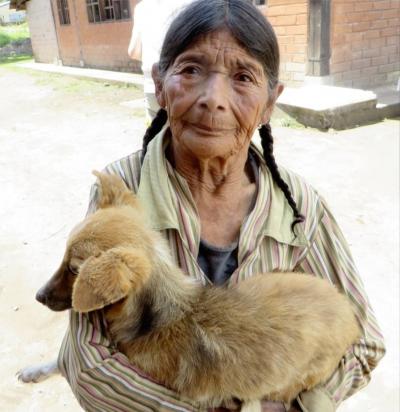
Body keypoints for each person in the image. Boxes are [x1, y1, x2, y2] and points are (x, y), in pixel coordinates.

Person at [59, 1, 385, 411]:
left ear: (270, 103)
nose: (213, 98)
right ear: (160, 83)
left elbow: (365, 343)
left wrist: (296, 404)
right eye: (191, 70)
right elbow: (88, 362)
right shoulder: (125, 191)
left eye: (243, 76)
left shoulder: (298, 205)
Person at [128, 0, 193, 122]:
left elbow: (133, 51)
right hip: (181, 86)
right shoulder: (190, 3)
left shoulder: (142, 7)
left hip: (151, 87)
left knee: (155, 136)